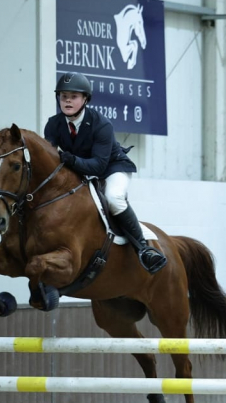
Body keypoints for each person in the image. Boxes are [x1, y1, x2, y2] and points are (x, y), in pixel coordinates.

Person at [43, 73, 168, 274]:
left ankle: (144, 249)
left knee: (113, 198)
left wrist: (72, 160)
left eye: (74, 96)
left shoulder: (101, 124)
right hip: (79, 169)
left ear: (85, 99)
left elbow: (99, 166)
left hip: (111, 167)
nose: (67, 100)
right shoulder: (53, 124)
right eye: (64, 96)